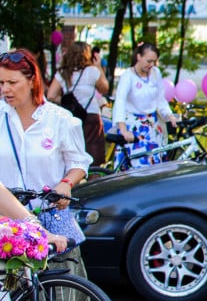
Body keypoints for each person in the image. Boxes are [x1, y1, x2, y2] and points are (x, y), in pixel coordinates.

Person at [0, 49, 91, 284]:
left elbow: (79, 162)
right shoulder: (1, 116)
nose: (5, 89)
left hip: (49, 217)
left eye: (12, 82)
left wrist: (66, 183)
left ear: (32, 81)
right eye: (1, 83)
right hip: (9, 227)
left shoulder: (60, 119)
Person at [112, 42, 178, 169]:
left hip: (152, 126)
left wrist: (169, 115)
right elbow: (120, 102)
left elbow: (160, 98)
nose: (151, 65)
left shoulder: (155, 73)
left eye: (154, 61)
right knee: (138, 165)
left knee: (155, 165)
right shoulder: (128, 76)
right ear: (138, 57)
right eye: (148, 61)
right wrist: (123, 129)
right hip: (134, 126)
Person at [46, 41, 109, 166]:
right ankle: (93, 182)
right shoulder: (92, 71)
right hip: (91, 117)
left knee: (72, 156)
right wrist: (99, 67)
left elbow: (51, 95)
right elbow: (104, 89)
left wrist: (65, 101)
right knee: (93, 158)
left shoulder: (63, 73)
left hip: (71, 117)